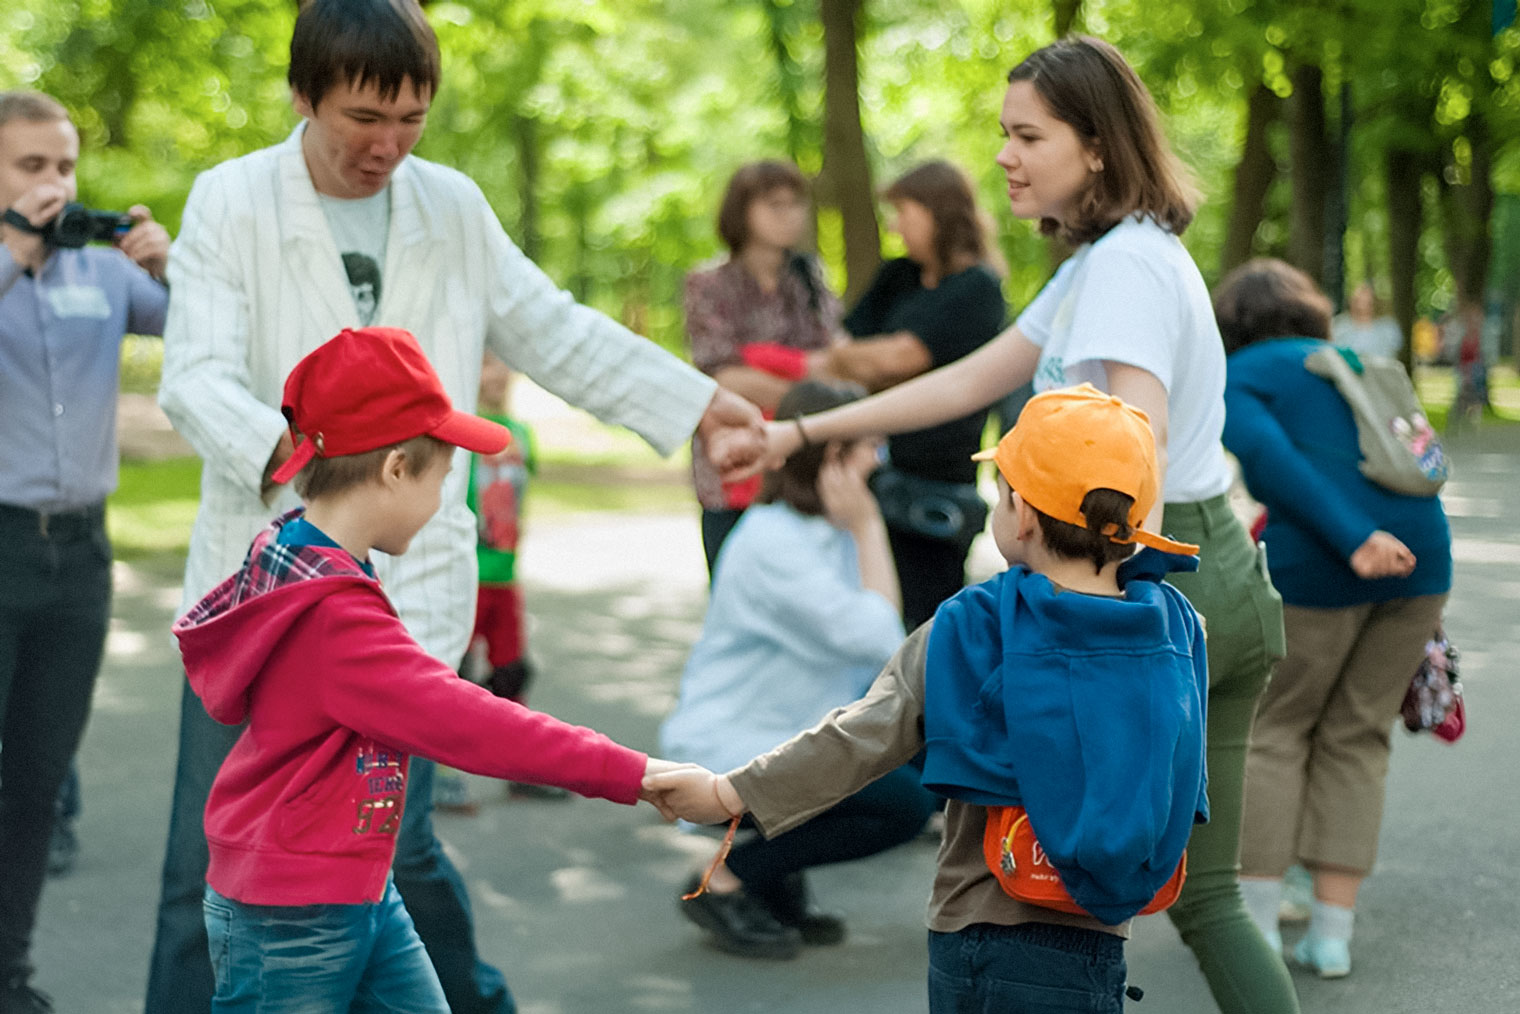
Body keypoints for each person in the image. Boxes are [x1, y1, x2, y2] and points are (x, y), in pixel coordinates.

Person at [146, 3, 764, 1013]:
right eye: (361, 117)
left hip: (410, 596)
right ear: (302, 97)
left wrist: (695, 406)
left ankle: (468, 1000)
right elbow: (196, 377)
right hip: (270, 603)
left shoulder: (451, 206)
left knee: (397, 848)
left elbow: (552, 331)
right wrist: (317, 467)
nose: (385, 145)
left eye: (410, 120)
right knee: (203, 872)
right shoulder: (233, 201)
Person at [760, 36, 1300, 1014]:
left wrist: (1029, 596)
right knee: (1205, 901)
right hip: (1201, 570)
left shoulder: (1126, 269)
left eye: (1026, 135)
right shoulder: (1109, 259)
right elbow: (969, 380)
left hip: (1153, 578)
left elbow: (1130, 456)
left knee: (1055, 896)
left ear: (1094, 145)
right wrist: (797, 429)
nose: (1003, 156)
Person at [647, 384, 1209, 1012]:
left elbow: (860, 736)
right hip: (1098, 941)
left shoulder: (973, 624)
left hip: (982, 931)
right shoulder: (1175, 627)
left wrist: (729, 792)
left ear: (1020, 514)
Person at [183, 326, 685, 1012]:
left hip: (357, 887)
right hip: (289, 917)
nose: (453, 501)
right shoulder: (330, 614)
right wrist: (637, 774)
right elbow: (468, 721)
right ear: (395, 468)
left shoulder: (299, 550)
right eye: (445, 480)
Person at [1215, 259, 1452, 979]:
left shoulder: (1244, 374)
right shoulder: (1356, 357)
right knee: (1357, 734)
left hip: (1323, 563)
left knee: (1275, 729)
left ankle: (1254, 939)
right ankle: (1332, 936)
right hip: (1426, 561)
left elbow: (1267, 456)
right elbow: (1424, 459)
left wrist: (1354, 538)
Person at [660, 380, 936, 960]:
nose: (878, 461)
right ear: (834, 457)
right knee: (903, 804)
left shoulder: (817, 530)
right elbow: (881, 641)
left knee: (933, 751)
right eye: (869, 447)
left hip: (790, 730)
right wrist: (868, 527)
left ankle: (769, 879)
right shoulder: (777, 545)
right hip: (732, 745)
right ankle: (730, 878)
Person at [0, 90, 170, 1013]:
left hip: (80, 563)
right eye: (31, 166)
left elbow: (204, 328)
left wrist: (173, 265)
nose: (54, 185)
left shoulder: (103, 278)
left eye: (63, 166)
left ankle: (10, 978)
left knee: (33, 788)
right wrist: (11, 256)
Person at [814, 160, 1006, 629]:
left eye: (904, 210)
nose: (894, 224)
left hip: (935, 494)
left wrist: (869, 362)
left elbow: (898, 358)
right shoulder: (897, 276)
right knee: (869, 617)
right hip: (874, 478)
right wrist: (865, 361)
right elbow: (838, 351)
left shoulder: (978, 289)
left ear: (938, 212)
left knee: (920, 630)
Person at [684, 160, 841, 574]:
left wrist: (762, 368)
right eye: (775, 204)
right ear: (743, 211)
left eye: (795, 204)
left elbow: (839, 363)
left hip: (804, 467)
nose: (789, 215)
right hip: (731, 468)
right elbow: (721, 377)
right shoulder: (710, 284)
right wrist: (806, 376)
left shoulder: (809, 280)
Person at [1330, 282, 1402, 359]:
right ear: (1351, 303)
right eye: (1358, 301)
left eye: (1368, 303)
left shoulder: (1388, 327)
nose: (1362, 306)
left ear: (1375, 303)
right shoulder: (1338, 325)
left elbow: (1392, 356)